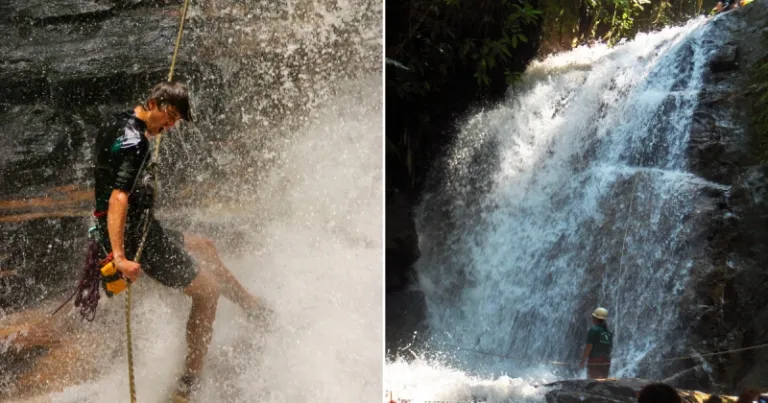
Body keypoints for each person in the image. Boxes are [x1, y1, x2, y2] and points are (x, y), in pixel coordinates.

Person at [92, 81, 272, 401]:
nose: (170, 125)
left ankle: (251, 306)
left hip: (139, 229)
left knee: (204, 246)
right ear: (153, 103)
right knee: (208, 293)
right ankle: (189, 383)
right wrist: (119, 256)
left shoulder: (118, 123)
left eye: (175, 121)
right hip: (138, 240)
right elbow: (118, 198)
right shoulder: (137, 145)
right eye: (169, 116)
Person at [578, 307, 613, 379]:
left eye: (593, 317)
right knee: (603, 382)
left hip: (595, 360)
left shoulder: (593, 330)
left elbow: (589, 346)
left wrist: (583, 360)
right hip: (606, 361)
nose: (592, 318)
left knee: (592, 382)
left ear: (596, 318)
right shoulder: (608, 333)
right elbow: (610, 348)